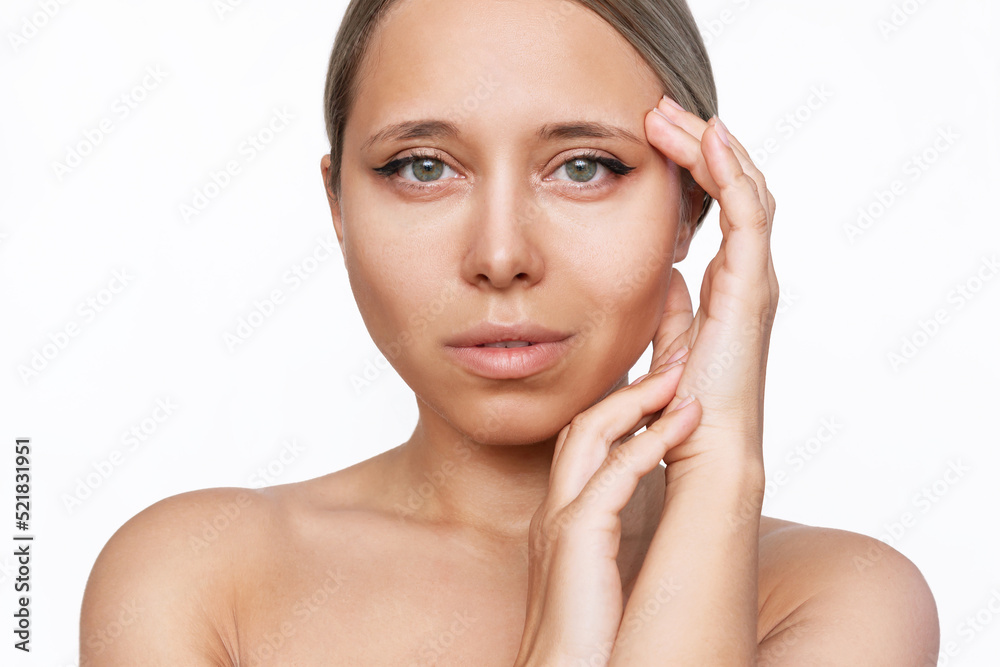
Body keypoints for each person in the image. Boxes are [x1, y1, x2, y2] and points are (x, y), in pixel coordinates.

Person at [79, 0, 940, 664]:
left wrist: (719, 469)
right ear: (338, 204)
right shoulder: (193, 577)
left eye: (583, 166)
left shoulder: (835, 597)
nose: (500, 255)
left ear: (693, 203)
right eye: (422, 166)